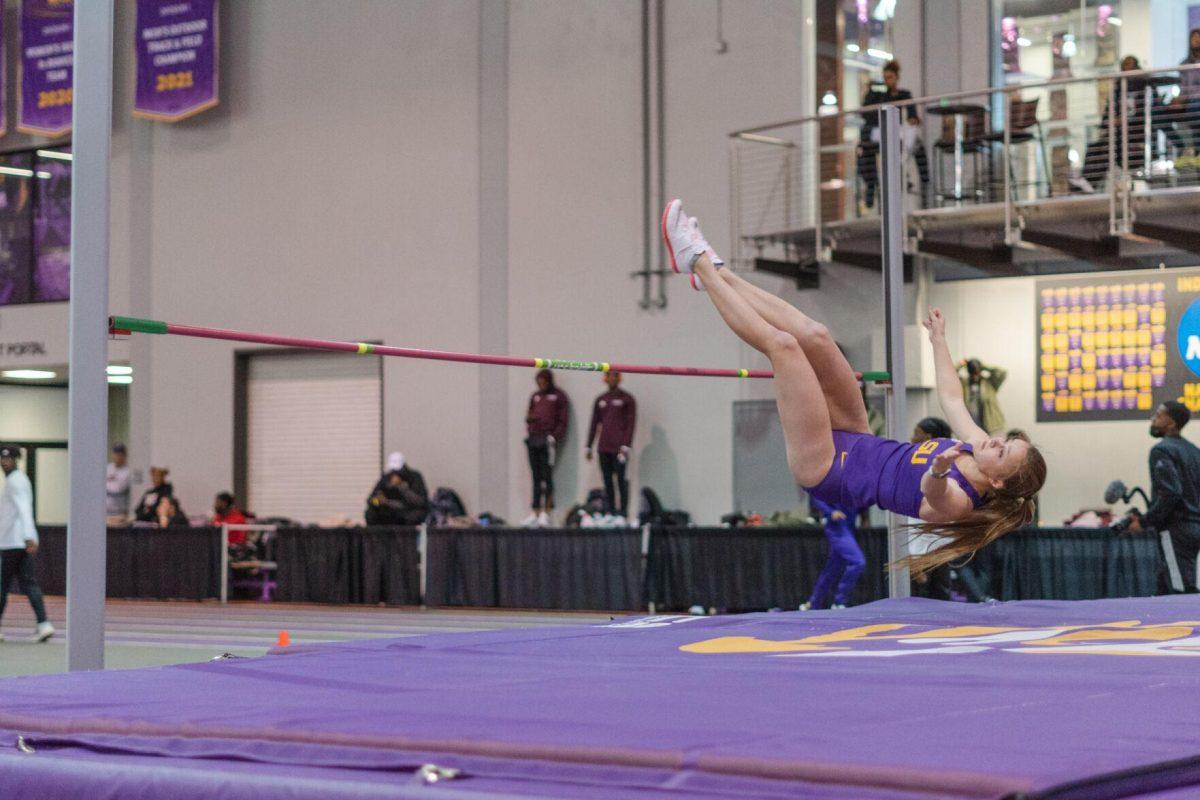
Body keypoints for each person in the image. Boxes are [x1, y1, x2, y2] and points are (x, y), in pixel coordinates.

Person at [662, 198, 1046, 577]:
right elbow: (950, 397)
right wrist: (939, 342)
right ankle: (717, 272)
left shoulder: (962, 501)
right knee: (816, 336)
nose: (994, 442)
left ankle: (695, 262)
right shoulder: (974, 445)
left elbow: (932, 492)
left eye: (1002, 451)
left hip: (829, 470)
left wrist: (941, 469)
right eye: (1004, 439)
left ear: (996, 480)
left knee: (784, 347)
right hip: (859, 438)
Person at [1125, 401, 1200, 591]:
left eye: (1158, 415)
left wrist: (1144, 521)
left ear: (1172, 423)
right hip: (1194, 527)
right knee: (1169, 583)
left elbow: (1170, 492)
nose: (1153, 419)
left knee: (1179, 588)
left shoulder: (1162, 450)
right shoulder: (1194, 452)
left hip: (1175, 529)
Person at [857, 60, 929, 210]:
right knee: (864, 147)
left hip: (899, 132)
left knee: (917, 144)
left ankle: (924, 183)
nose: (887, 81)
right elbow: (866, 113)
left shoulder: (904, 94)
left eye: (890, 77)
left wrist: (913, 119)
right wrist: (869, 90)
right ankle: (872, 185)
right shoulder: (879, 96)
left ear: (896, 77)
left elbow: (912, 116)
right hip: (883, 133)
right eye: (885, 78)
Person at [0, 445, 53, 642]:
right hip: (15, 540)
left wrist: (30, 536)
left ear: (16, 460)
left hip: (14, 542)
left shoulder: (15, 481)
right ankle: (44, 623)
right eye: (2, 458)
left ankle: (44, 623)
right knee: (28, 583)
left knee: (3, 585)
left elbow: (24, 509)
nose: (5, 462)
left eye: (9, 459)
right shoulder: (15, 480)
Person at [586, 371, 637, 518]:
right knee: (607, 480)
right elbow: (594, 423)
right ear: (605, 379)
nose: (612, 379)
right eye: (609, 376)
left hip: (620, 448)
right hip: (604, 447)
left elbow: (630, 424)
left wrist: (626, 445)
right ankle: (611, 511)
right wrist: (588, 445)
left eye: (615, 376)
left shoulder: (627, 399)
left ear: (619, 378)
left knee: (621, 479)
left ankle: (623, 512)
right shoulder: (600, 400)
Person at [800, 496, 866, 610]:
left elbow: (862, 502)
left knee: (832, 568)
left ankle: (813, 602)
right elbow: (816, 496)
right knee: (858, 562)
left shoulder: (855, 482)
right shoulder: (835, 480)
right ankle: (839, 601)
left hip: (849, 527)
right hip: (837, 528)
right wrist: (830, 512)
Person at [522, 369, 569, 527]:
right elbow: (529, 415)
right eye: (538, 383)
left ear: (549, 381)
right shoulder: (535, 396)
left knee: (546, 476)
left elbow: (563, 420)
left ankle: (546, 511)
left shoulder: (558, 396)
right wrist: (530, 424)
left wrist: (554, 437)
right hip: (534, 439)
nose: (541, 385)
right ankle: (535, 510)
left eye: (543, 382)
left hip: (548, 441)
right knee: (535, 477)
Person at [365, 453, 430, 526]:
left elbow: (420, 502)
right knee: (371, 513)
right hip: (391, 509)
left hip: (408, 510)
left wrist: (402, 487)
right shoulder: (386, 478)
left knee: (414, 515)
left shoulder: (415, 477)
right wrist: (379, 501)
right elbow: (371, 500)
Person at [959, 358, 1007, 435]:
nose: (975, 375)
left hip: (990, 424)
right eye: (973, 372)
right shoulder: (964, 384)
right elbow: (950, 375)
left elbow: (1002, 372)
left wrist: (984, 366)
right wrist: (961, 365)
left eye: (977, 372)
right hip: (971, 424)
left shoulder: (989, 383)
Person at [106, 443, 131, 524]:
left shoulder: (127, 471)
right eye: (115, 453)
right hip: (105, 513)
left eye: (120, 454)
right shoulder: (108, 468)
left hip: (119, 514)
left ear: (124, 456)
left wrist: (107, 483)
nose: (117, 456)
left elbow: (117, 489)